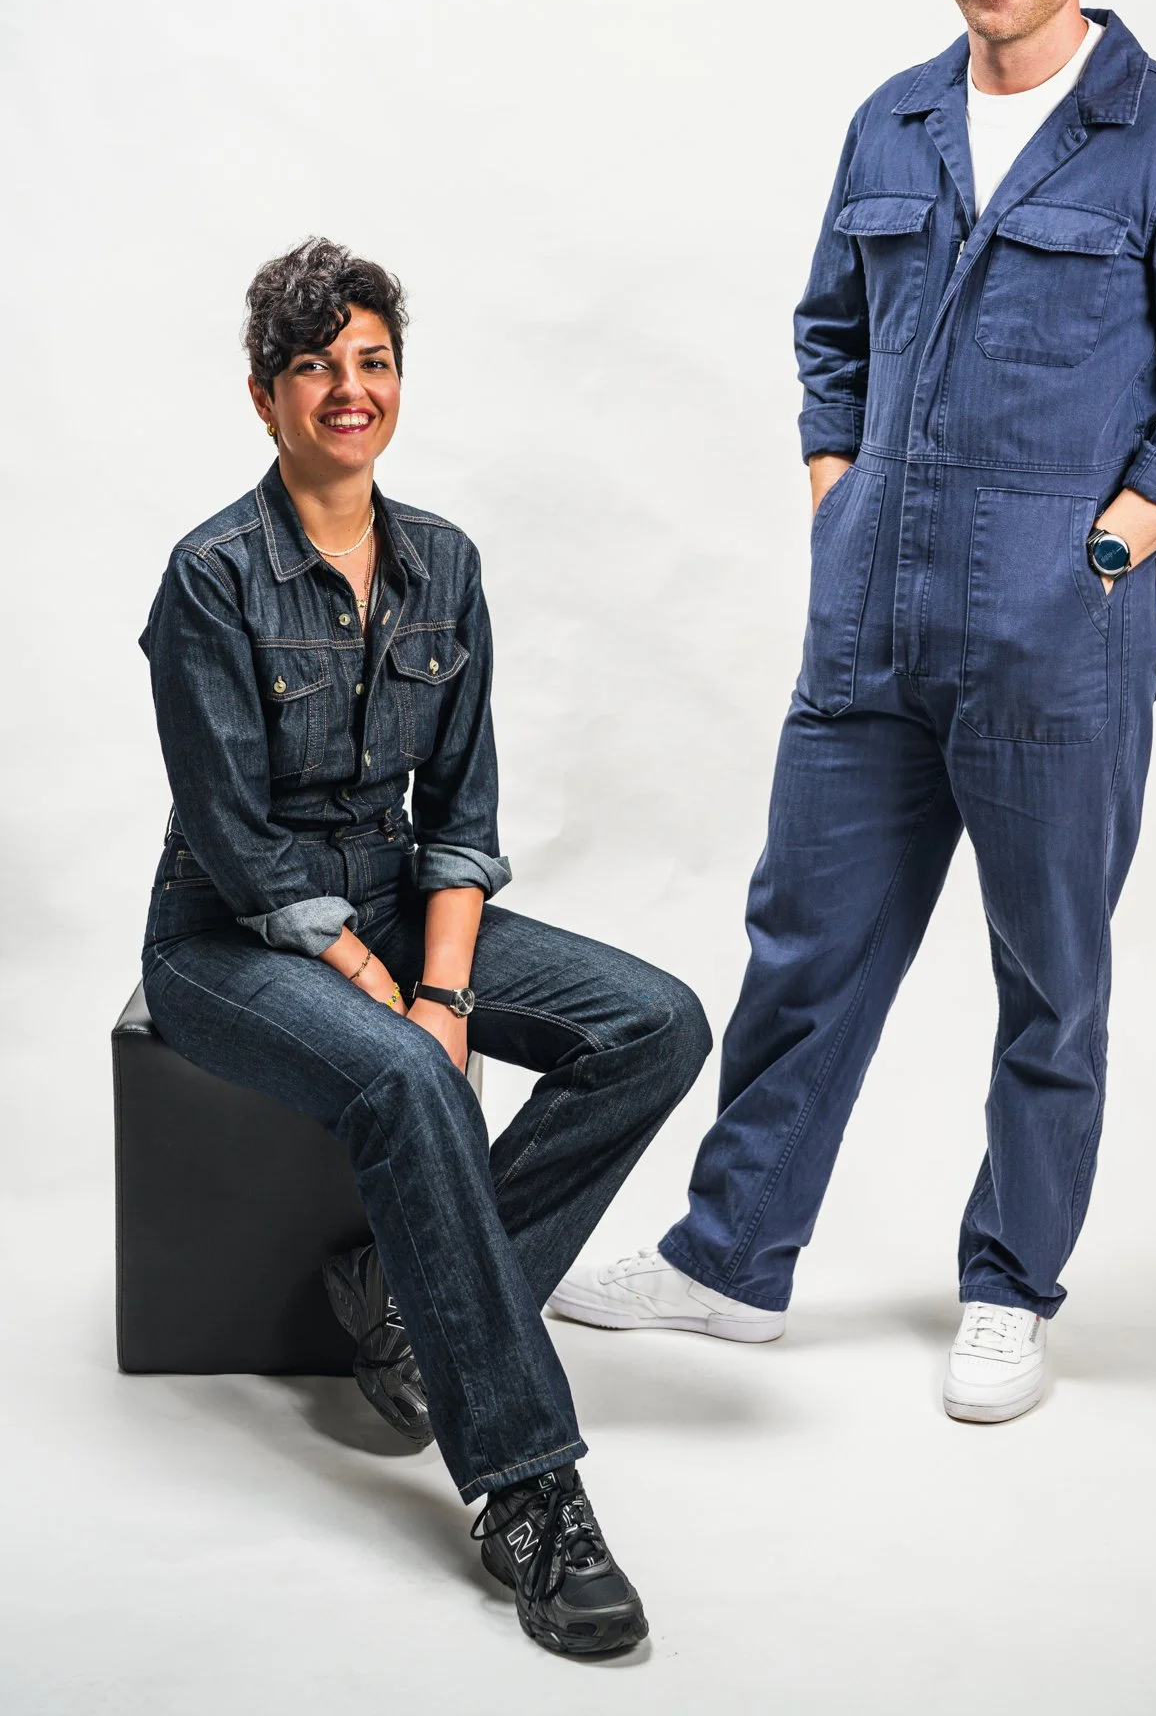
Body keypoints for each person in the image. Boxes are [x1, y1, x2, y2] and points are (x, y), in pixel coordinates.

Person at [549, 0, 1156, 1424]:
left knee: (1050, 981)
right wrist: (836, 495)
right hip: (865, 634)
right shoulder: (890, 125)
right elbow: (829, 332)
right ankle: (730, 1259)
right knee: (802, 951)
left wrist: (1099, 562)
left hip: (1056, 660)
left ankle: (1011, 1286)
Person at [139, 238, 711, 1655]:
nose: (351, 389)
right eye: (317, 366)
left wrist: (444, 981)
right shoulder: (211, 576)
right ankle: (528, 1492)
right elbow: (238, 845)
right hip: (227, 934)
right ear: (265, 396)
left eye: (373, 361)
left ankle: (412, 1309)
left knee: (656, 1021)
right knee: (405, 1076)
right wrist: (395, 1000)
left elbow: (461, 816)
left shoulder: (443, 563)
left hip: (401, 899)